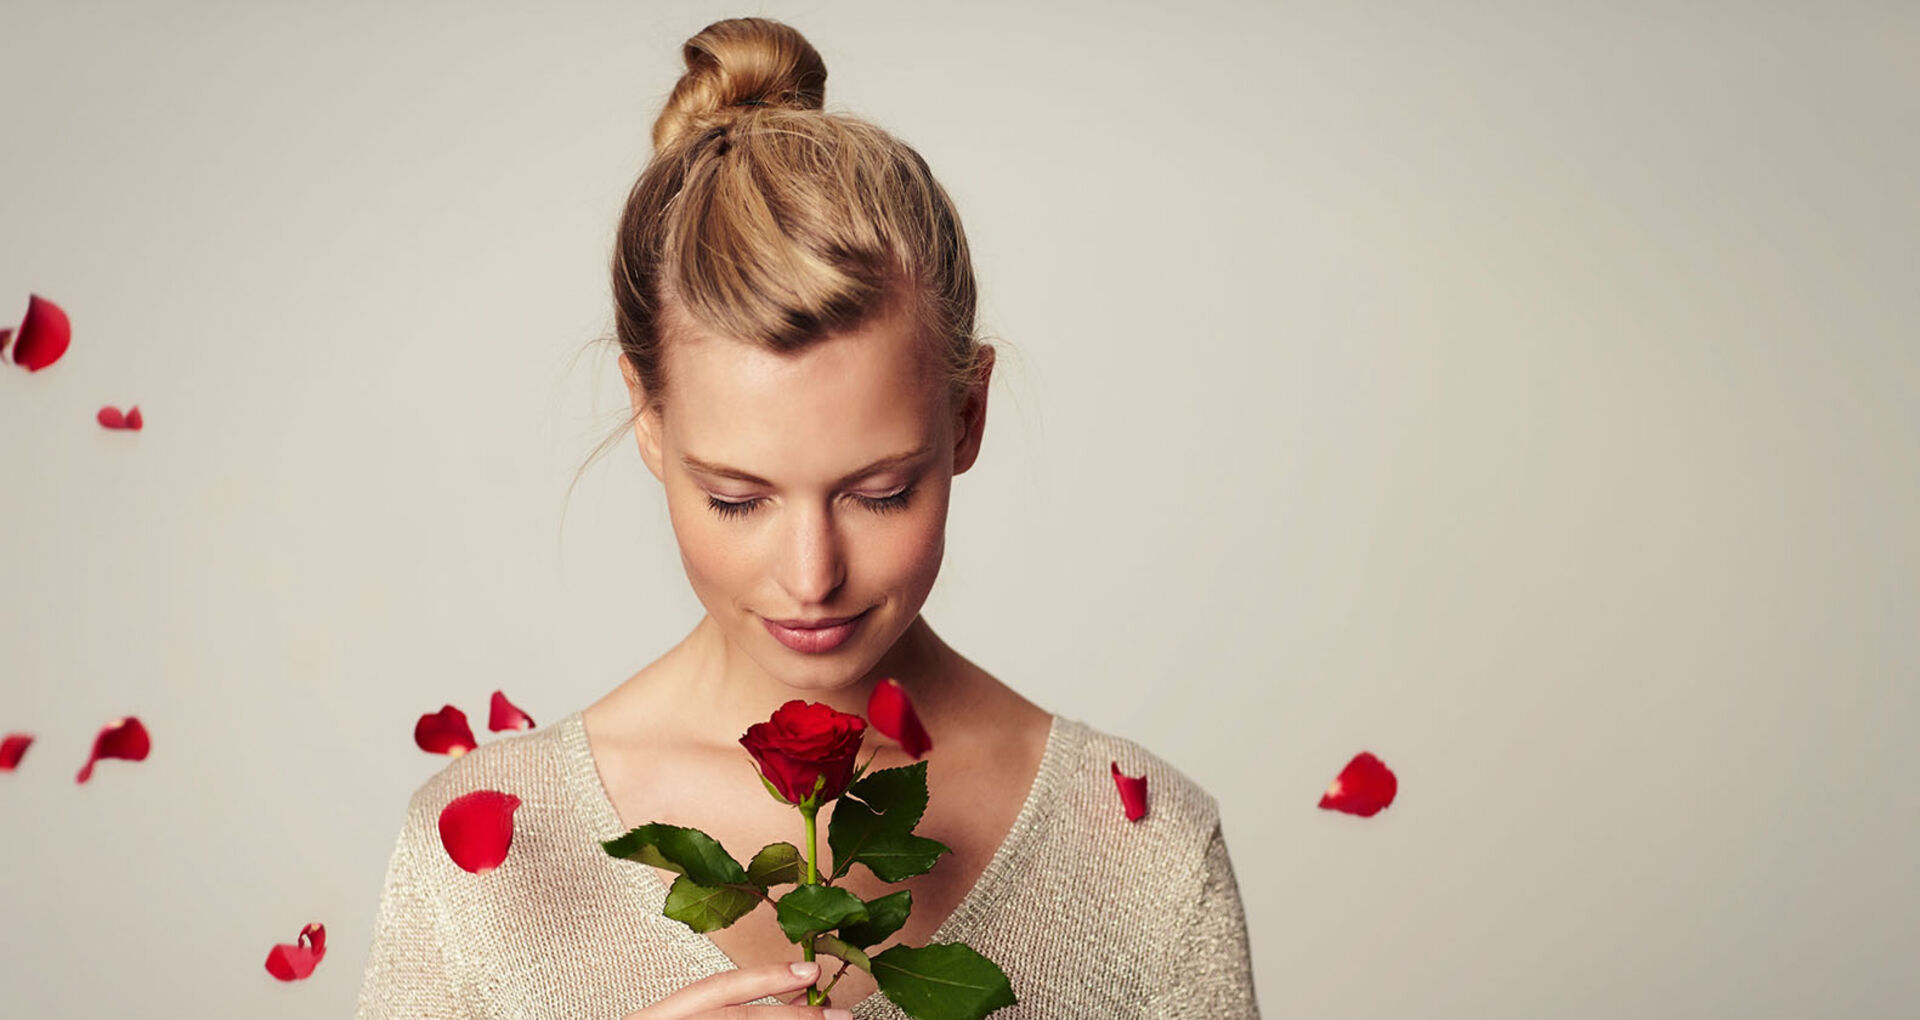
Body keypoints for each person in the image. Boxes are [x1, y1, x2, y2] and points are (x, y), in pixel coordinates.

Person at [354, 15, 1258, 1020]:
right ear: (649, 425)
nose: (812, 573)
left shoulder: (1145, 857)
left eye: (879, 493)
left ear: (967, 416)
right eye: (736, 499)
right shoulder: (490, 867)